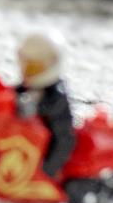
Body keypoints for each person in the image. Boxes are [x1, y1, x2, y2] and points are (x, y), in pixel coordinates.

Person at [14, 31, 76, 178]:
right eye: (27, 66)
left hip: (55, 145)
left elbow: (49, 105)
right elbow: (15, 92)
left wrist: (31, 105)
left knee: (43, 173)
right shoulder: (29, 86)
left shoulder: (57, 93)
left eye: (35, 67)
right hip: (33, 138)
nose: (29, 72)